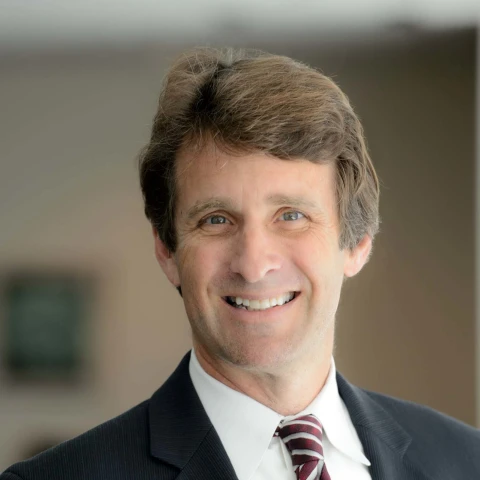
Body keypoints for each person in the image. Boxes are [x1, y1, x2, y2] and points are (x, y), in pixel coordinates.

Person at [1, 47, 479, 480]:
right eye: (216, 220)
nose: (253, 265)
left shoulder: (467, 461)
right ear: (167, 251)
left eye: (291, 216)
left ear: (356, 244)